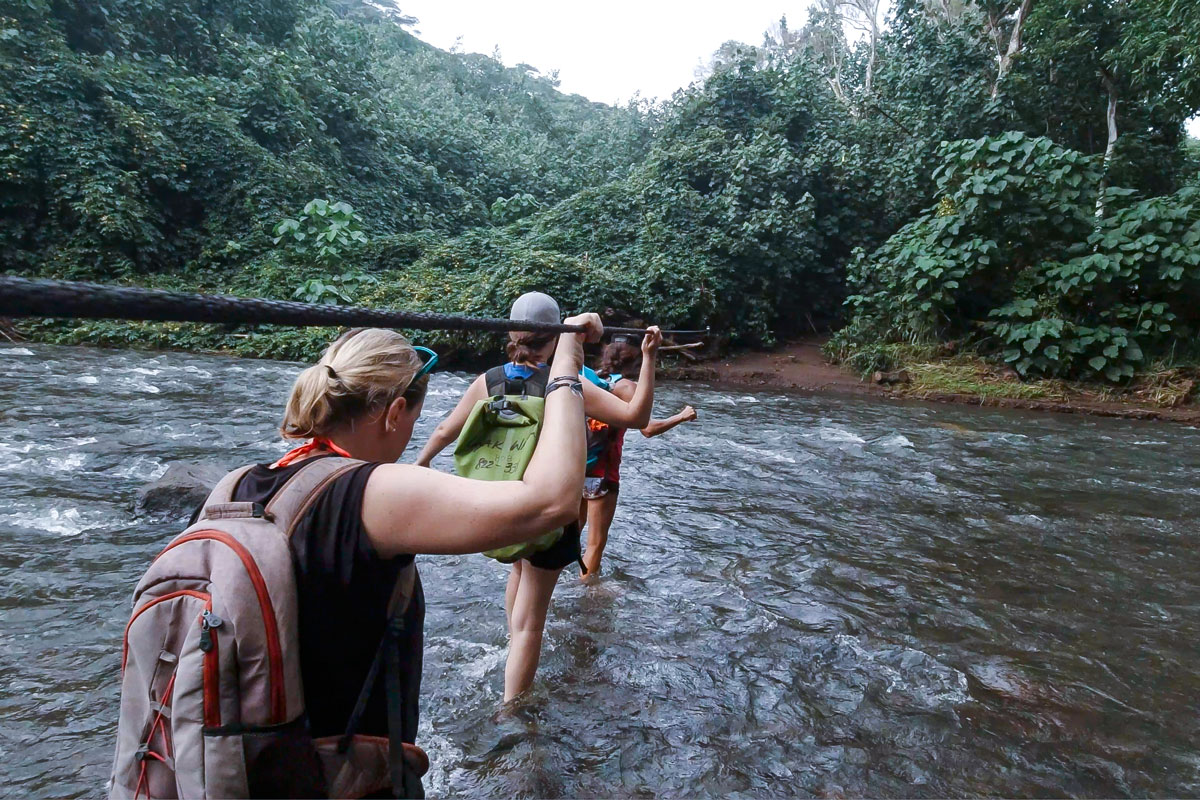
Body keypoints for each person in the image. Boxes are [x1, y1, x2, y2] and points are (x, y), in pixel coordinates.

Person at [239, 320, 596, 792]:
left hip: (242, 761)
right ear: (394, 413)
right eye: (411, 420)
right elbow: (552, 503)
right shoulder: (374, 490)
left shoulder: (240, 484)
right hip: (337, 777)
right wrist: (567, 360)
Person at [415, 293, 662, 701]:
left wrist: (420, 465)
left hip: (501, 501)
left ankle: (508, 650)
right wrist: (649, 358)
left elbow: (444, 431)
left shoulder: (489, 380)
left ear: (512, 334)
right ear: (556, 337)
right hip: (546, 511)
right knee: (532, 624)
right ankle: (512, 709)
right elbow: (636, 417)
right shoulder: (565, 385)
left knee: (518, 570)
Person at [579, 335, 698, 579]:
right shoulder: (627, 388)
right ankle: (587, 591)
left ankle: (553, 588)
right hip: (603, 472)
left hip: (577, 468)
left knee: (568, 538)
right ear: (634, 360)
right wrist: (681, 416)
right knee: (595, 544)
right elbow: (647, 428)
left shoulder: (589, 379)